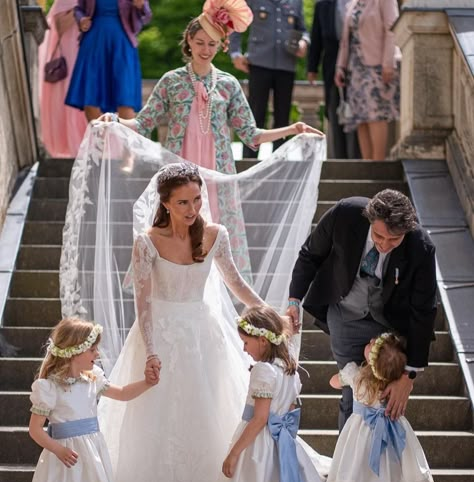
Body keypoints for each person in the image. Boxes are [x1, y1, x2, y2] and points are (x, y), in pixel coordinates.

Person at [96, 162, 278, 482]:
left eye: (197, 198)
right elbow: (142, 301)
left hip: (202, 336)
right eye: (183, 202)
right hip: (159, 335)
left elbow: (235, 283)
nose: (193, 207)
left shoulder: (215, 235)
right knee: (156, 426)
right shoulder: (146, 242)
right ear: (165, 203)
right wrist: (152, 349)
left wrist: (269, 312)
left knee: (207, 416)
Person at [102, 0, 322, 279]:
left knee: (212, 233)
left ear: (221, 46)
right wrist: (115, 120)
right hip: (179, 169)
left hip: (217, 175)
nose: (205, 49)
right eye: (200, 42)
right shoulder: (171, 81)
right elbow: (144, 122)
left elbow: (251, 135)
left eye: (212, 44)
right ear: (189, 43)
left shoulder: (229, 84)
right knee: (175, 232)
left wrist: (293, 129)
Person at [286, 189, 437, 482]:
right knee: (352, 399)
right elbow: (310, 254)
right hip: (345, 315)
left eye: (393, 241)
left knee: (385, 401)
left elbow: (424, 311)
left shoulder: (420, 246)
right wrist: (294, 300)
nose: (384, 245)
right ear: (370, 220)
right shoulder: (344, 214)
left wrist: (408, 376)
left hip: (391, 325)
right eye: (379, 236)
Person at [24, 317, 158, 482]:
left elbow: (121, 393)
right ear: (74, 351)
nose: (97, 354)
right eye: (92, 349)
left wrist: (147, 382)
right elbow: (35, 430)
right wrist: (57, 450)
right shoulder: (49, 388)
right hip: (64, 463)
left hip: (90, 461)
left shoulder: (92, 380)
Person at [211, 305, 340, 482]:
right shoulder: (289, 370)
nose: (244, 349)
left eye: (246, 343)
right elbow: (289, 411)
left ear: (262, 340)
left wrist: (233, 454)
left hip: (256, 451)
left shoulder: (263, 371)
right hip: (277, 448)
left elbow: (259, 419)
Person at [327, 333, 433, 482]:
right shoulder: (394, 385)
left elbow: (334, 382)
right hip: (384, 441)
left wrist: (344, 375)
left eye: (371, 346)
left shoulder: (356, 375)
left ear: (372, 360)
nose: (368, 343)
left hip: (359, 438)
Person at [229, 0, 311, 158]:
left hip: (286, 65)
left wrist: (304, 42)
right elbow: (236, 22)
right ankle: (249, 162)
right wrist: (235, 53)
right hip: (259, 63)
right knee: (255, 114)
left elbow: (303, 30)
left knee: (283, 116)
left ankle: (278, 162)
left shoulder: (296, 2)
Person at [334, 0, 400, 160]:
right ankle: (367, 165)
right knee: (360, 117)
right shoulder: (353, 3)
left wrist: (388, 63)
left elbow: (392, 29)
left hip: (377, 67)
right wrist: (340, 66)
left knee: (376, 115)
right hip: (355, 69)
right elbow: (345, 40)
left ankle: (378, 166)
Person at [65, 0, 152, 122]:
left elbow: (147, 16)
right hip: (94, 41)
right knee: (90, 95)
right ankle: (99, 138)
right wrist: (81, 19)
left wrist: (141, 6)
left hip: (122, 43)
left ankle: (125, 140)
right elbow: (79, 9)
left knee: (125, 96)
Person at [307, 0, 359, 159]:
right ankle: (340, 158)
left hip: (358, 65)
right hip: (331, 67)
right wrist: (312, 68)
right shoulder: (322, 5)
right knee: (334, 111)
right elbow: (316, 38)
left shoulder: (359, 3)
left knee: (358, 113)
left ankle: (358, 158)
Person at [38, 0, 88, 157]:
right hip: (71, 53)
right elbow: (59, 26)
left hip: (89, 52)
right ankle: (76, 146)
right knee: (73, 99)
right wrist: (80, 10)